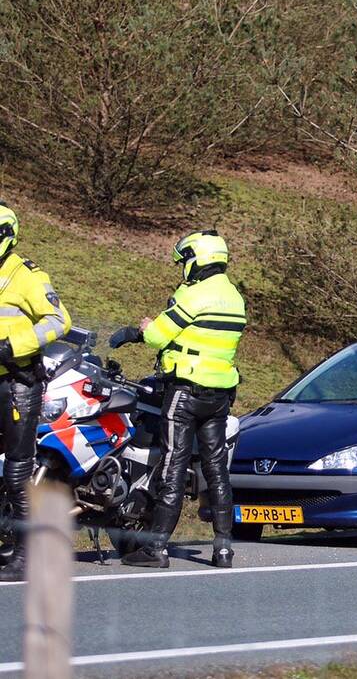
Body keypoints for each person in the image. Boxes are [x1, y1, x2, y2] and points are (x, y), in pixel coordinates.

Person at [110, 230, 246, 569]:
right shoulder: (235, 297)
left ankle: (155, 549)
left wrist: (143, 328)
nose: (183, 266)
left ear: (197, 259)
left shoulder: (193, 295)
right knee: (216, 472)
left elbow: (158, 335)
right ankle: (224, 549)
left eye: (185, 260)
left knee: (173, 466)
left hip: (184, 393)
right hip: (219, 397)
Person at [0, 203, 72, 582]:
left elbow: (60, 320)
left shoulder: (26, 276)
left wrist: (15, 345)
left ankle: (26, 555)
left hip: (16, 382)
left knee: (17, 471)